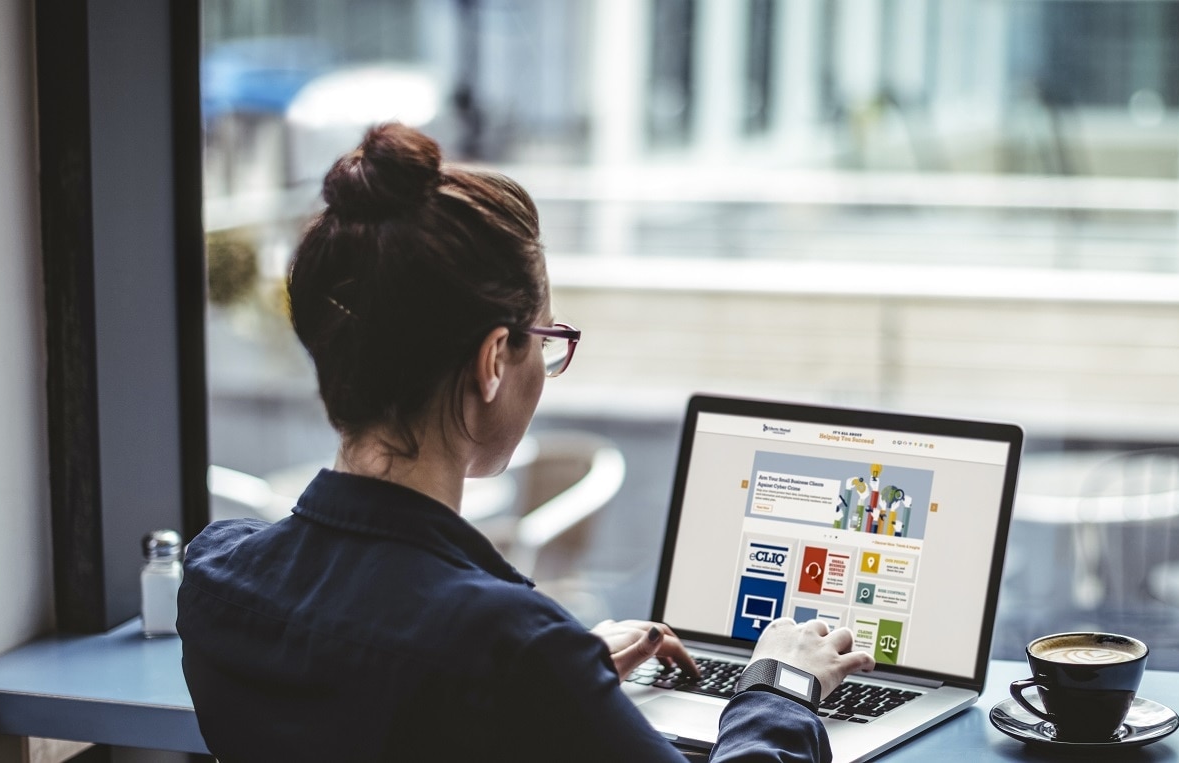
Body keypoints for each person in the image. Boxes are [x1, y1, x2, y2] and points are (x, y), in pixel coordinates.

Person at [177, 123, 875, 761]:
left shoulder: (217, 580)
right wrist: (780, 686)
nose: (547, 366)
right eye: (546, 339)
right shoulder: (510, 651)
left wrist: (574, 685)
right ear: (491, 362)